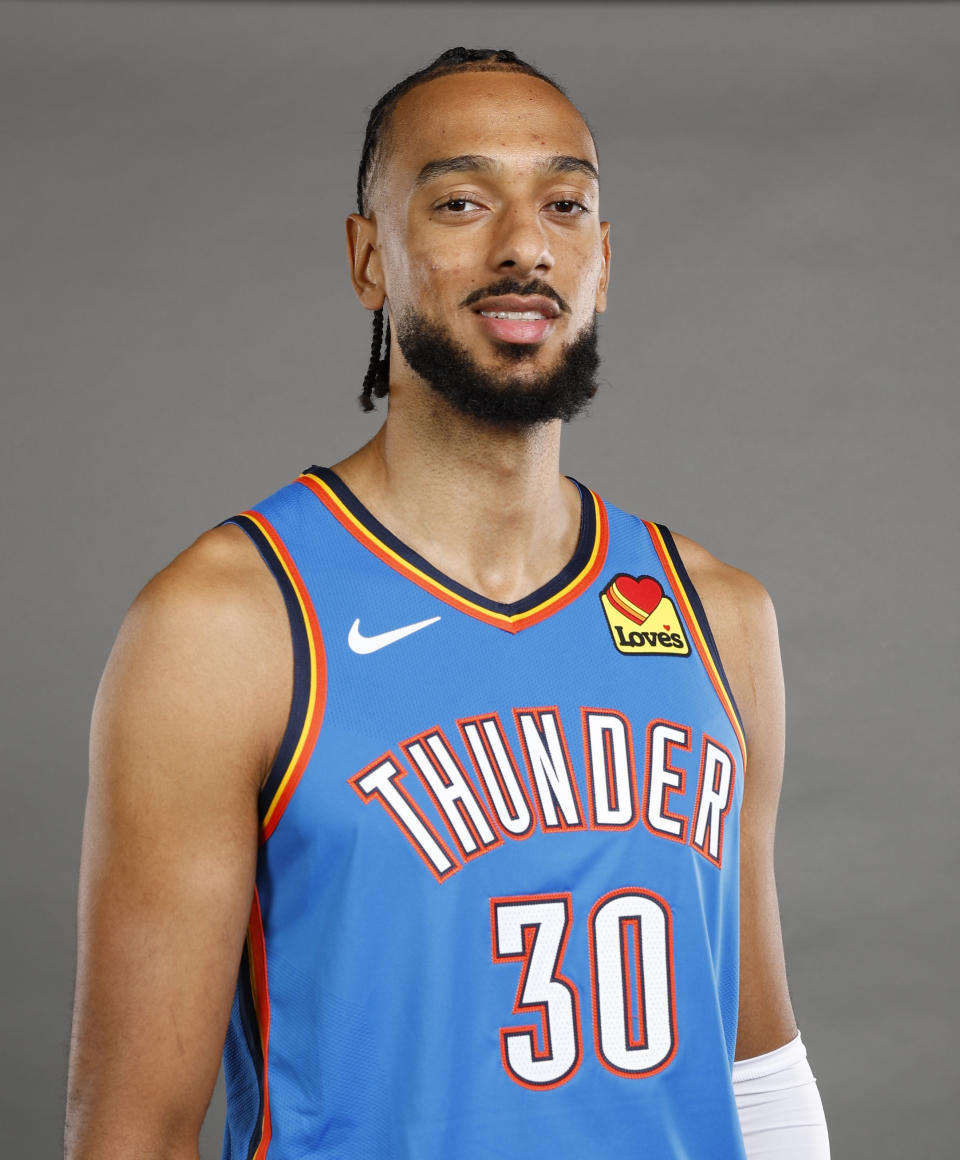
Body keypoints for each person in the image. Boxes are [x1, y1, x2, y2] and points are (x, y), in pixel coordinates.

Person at [65, 48, 830, 1159]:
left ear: (603, 261)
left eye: (564, 204)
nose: (524, 245)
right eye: (463, 202)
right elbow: (131, 1135)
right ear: (369, 256)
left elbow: (755, 1065)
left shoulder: (718, 615)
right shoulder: (228, 624)